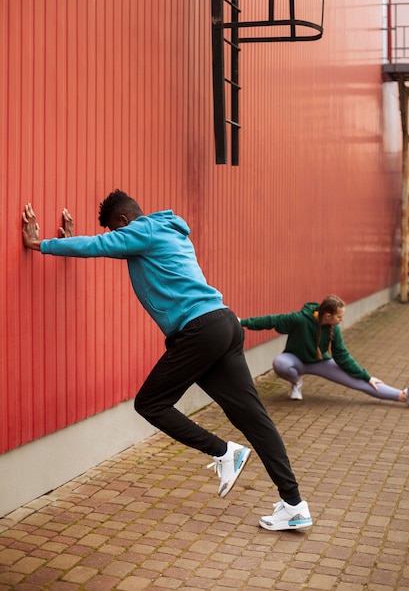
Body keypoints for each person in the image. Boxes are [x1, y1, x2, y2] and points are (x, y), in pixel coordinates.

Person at [22, 190, 312, 531]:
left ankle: (224, 452)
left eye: (117, 232)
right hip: (223, 323)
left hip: (198, 331)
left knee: (150, 403)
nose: (116, 238)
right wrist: (70, 242)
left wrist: (39, 244)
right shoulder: (164, 231)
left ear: (123, 222)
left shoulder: (142, 231)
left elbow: (99, 246)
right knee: (254, 420)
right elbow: (104, 248)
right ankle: (294, 505)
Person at [240, 295, 409, 407]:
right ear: (328, 315)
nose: (342, 319)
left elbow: (342, 356)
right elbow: (270, 320)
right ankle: (296, 382)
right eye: (340, 317)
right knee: (280, 363)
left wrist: (366, 376)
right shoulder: (299, 319)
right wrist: (242, 322)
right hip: (294, 360)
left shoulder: (334, 330)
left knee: (360, 382)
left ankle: (404, 396)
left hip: (320, 363)